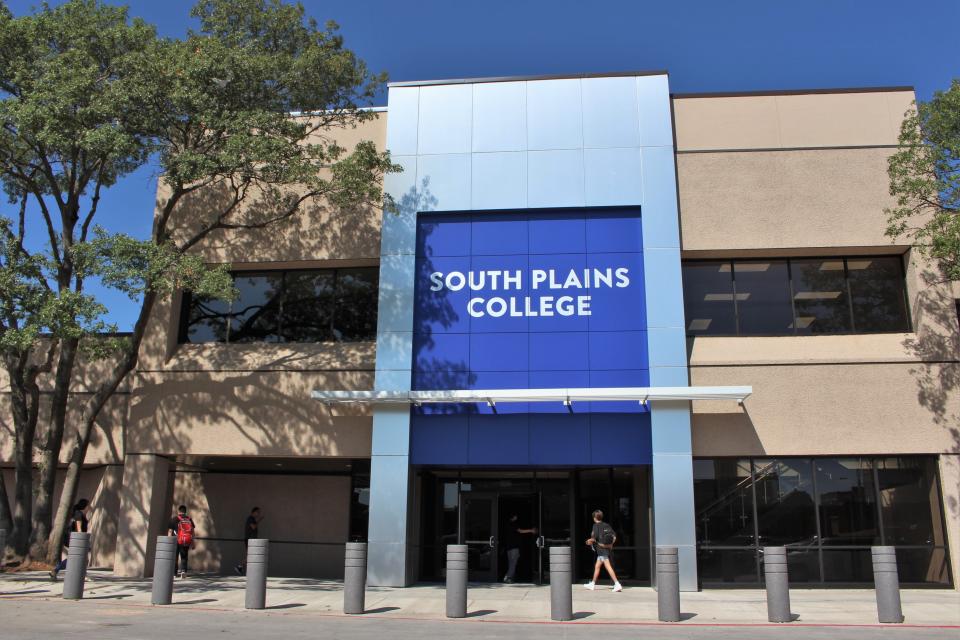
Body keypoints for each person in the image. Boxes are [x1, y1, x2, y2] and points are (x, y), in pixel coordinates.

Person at [49, 498, 91, 582]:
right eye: (88, 505)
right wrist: (81, 541)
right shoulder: (78, 514)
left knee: (78, 558)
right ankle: (82, 575)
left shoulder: (81, 514)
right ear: (85, 506)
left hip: (75, 539)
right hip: (75, 539)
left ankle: (55, 571)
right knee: (78, 558)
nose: (89, 507)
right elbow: (79, 529)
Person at [584, 509, 622, 592]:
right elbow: (614, 536)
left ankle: (617, 584)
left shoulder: (595, 526)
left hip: (601, 550)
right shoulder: (606, 525)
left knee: (608, 566)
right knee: (597, 566)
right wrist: (610, 545)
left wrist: (588, 542)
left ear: (594, 518)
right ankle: (592, 584)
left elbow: (594, 539)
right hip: (605, 549)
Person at [501, 514, 537, 583]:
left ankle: (510, 578)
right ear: (513, 517)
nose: (516, 517)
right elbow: (520, 531)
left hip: (509, 548)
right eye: (515, 516)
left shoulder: (506, 525)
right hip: (514, 547)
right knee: (513, 563)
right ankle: (507, 577)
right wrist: (531, 530)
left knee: (511, 563)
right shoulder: (513, 524)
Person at [168, 505, 196, 579]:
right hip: (185, 541)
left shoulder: (174, 519)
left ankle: (174, 573)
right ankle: (183, 571)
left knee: (175, 557)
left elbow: (170, 531)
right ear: (185, 511)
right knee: (184, 557)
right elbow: (192, 531)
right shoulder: (189, 519)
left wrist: (169, 542)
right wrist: (193, 542)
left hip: (176, 541)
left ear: (179, 511)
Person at [234, 506, 263, 575]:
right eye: (258, 512)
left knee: (250, 556)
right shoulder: (250, 518)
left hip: (251, 540)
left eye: (259, 512)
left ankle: (242, 568)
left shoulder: (252, 519)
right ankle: (239, 567)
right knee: (250, 556)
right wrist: (259, 520)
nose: (258, 514)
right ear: (254, 512)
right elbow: (253, 527)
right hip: (249, 540)